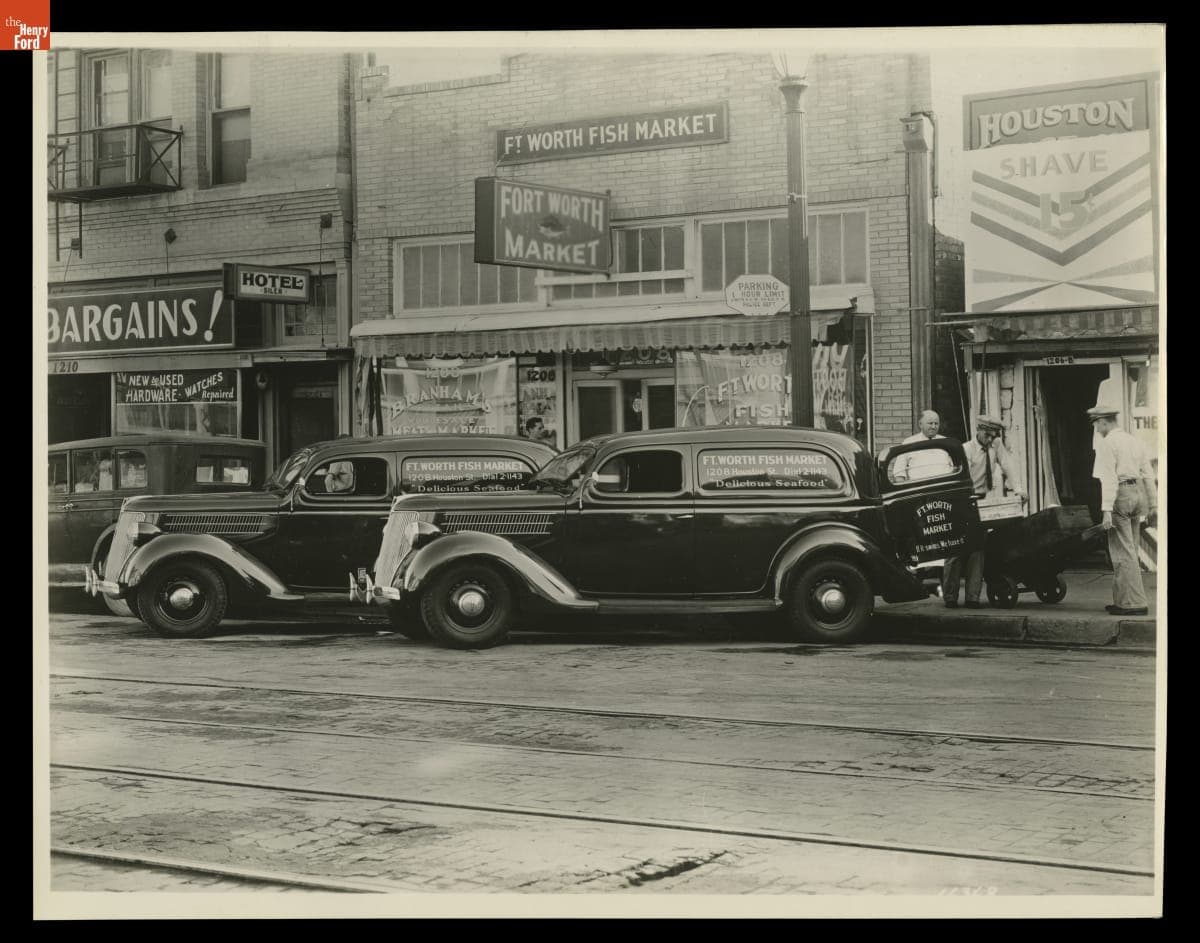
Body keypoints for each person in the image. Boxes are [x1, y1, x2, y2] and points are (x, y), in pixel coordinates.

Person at [941, 415, 1024, 609]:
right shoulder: (965, 450)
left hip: (981, 501)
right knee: (955, 548)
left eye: (993, 436)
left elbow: (1008, 466)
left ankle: (973, 597)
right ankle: (950, 596)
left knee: (977, 549)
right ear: (978, 431)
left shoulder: (995, 446)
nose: (990, 439)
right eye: (987, 435)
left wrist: (1019, 489)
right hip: (961, 501)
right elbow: (958, 478)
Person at [1089, 405, 1157, 616]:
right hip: (1137, 494)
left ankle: (1132, 603)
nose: (1096, 429)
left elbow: (1109, 479)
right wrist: (1153, 504)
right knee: (1131, 548)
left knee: (1122, 551)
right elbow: (1148, 474)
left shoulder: (1107, 443)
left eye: (1096, 424)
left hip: (1120, 495)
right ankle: (1122, 600)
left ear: (1103, 422)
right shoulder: (1134, 441)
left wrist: (1106, 510)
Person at [893, 410, 954, 481]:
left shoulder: (946, 442)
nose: (933, 427)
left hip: (944, 486)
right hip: (919, 487)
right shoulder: (909, 442)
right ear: (920, 424)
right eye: (930, 423)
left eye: (936, 423)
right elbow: (899, 473)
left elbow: (955, 468)